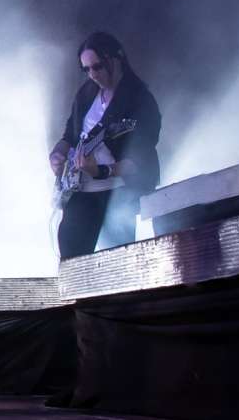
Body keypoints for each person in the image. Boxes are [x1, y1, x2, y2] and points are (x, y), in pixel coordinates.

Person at [49, 31, 162, 259]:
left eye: (97, 67)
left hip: (117, 193)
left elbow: (140, 160)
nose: (92, 75)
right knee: (71, 258)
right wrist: (57, 154)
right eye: (86, 69)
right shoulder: (86, 93)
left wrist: (102, 171)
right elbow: (69, 135)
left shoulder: (140, 100)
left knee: (117, 261)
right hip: (80, 192)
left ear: (117, 58)